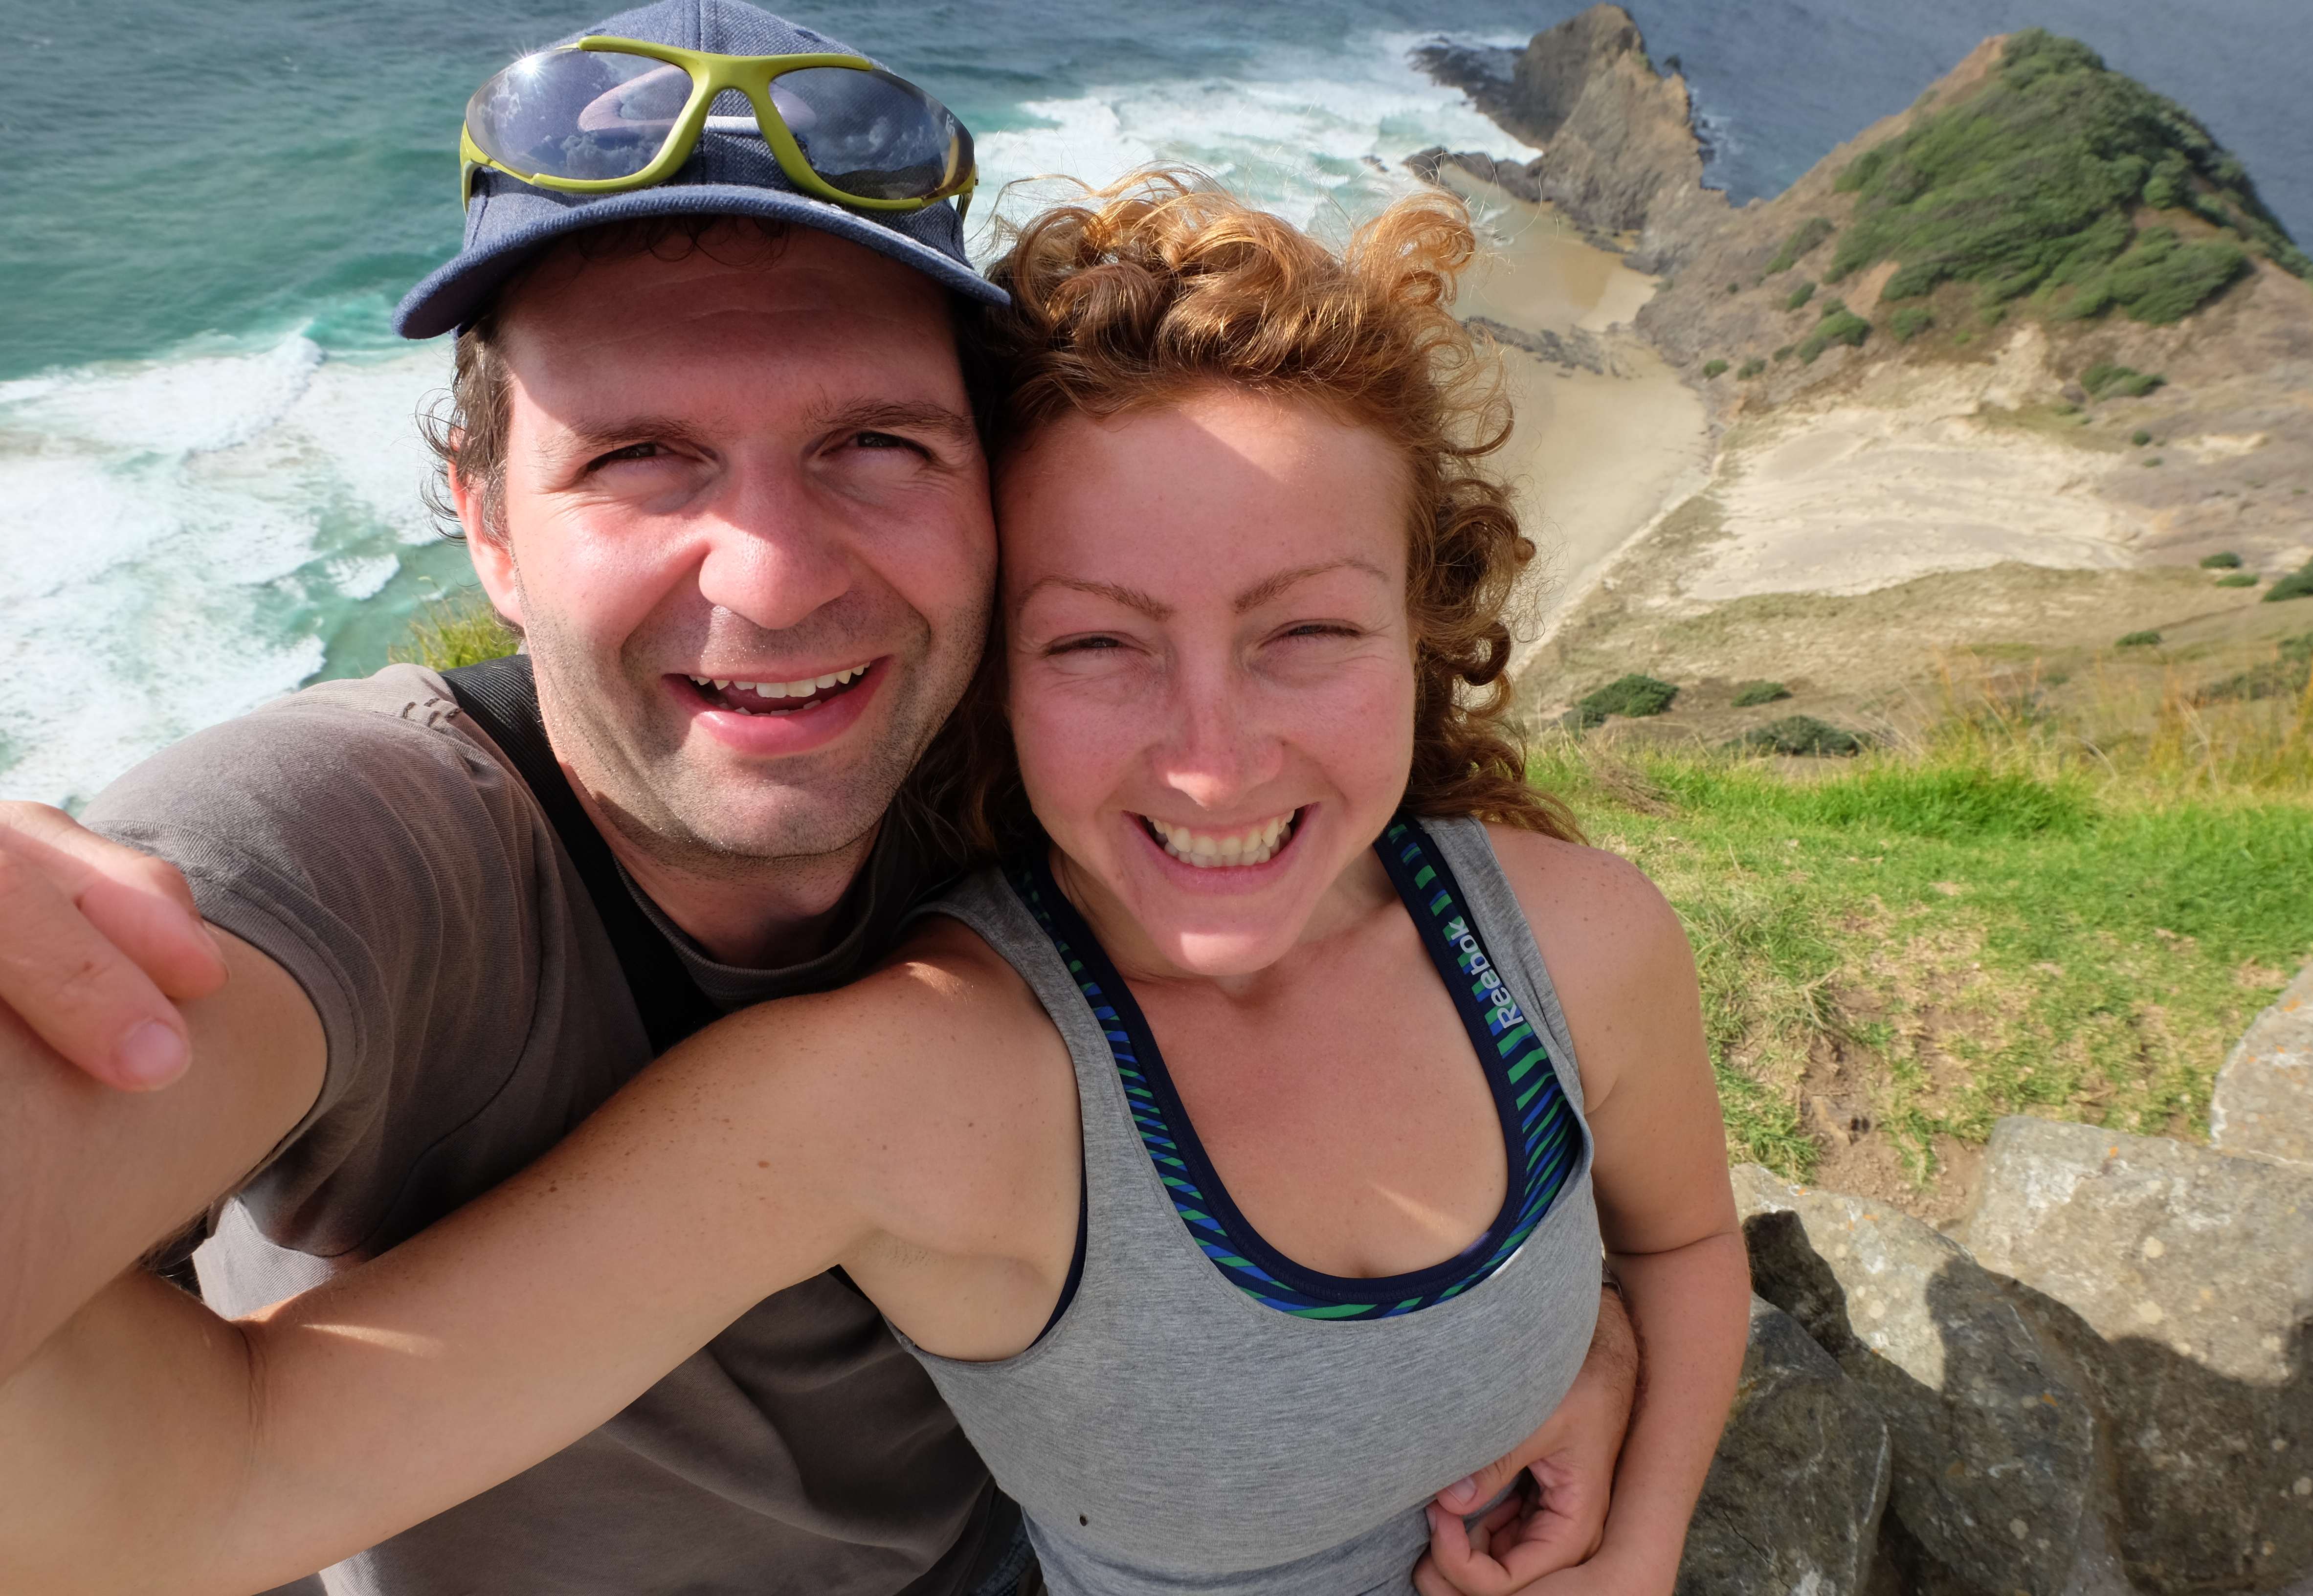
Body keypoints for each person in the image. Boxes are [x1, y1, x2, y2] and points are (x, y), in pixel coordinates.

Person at [0, 5, 1641, 1594]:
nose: (776, 582)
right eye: (639, 456)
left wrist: (1551, 1336)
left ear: (996, 510)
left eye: (874, 442)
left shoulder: (1077, 774)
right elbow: (196, 1417)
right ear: (486, 522)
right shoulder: (347, 841)